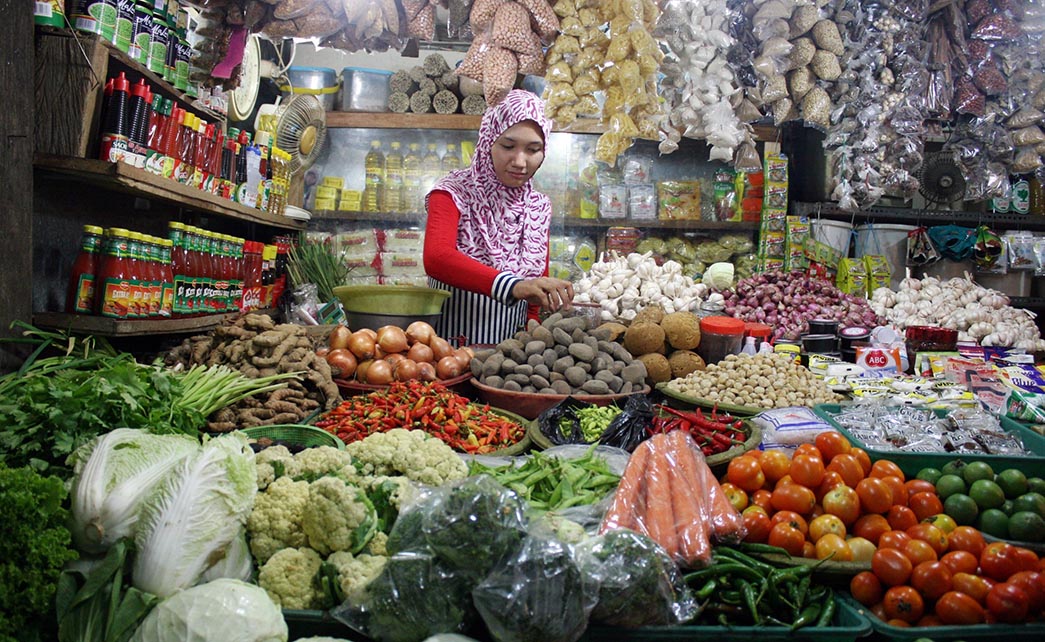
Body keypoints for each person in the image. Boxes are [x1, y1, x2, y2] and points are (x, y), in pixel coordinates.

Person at [423, 89, 573, 346]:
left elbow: (536, 288)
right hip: (449, 349)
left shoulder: (538, 206)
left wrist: (532, 337)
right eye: (507, 146)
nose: (520, 161)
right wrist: (514, 287)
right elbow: (437, 258)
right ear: (488, 140)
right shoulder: (452, 192)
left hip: (510, 358)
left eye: (533, 149)